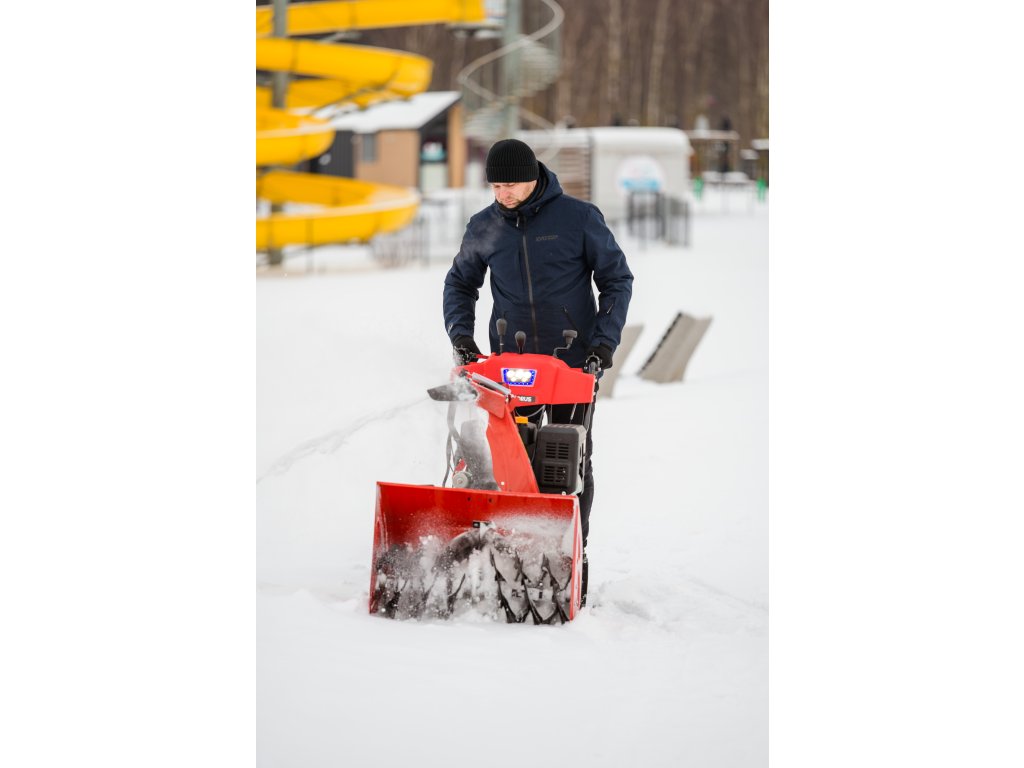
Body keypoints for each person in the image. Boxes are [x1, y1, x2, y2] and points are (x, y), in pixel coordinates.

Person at [442, 138, 634, 604]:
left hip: (572, 365)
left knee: (568, 460)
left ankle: (571, 556)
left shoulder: (578, 218)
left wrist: (603, 344)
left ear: (533, 178)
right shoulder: (485, 225)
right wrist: (463, 339)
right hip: (508, 366)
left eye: (510, 185)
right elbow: (460, 283)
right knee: (510, 461)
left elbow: (616, 280)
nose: (502, 194)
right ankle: (509, 555)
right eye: (495, 186)